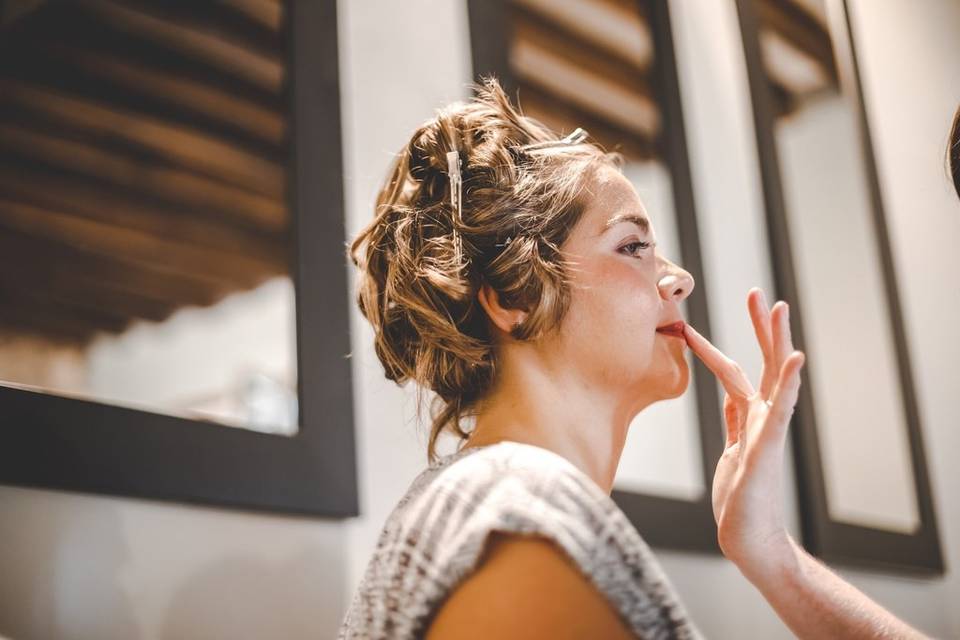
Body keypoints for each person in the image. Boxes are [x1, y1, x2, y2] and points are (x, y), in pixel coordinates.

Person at [337, 76, 931, 639]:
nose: (680, 280)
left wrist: (766, 547)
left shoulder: (488, 501)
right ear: (513, 296)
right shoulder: (519, 511)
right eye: (633, 246)